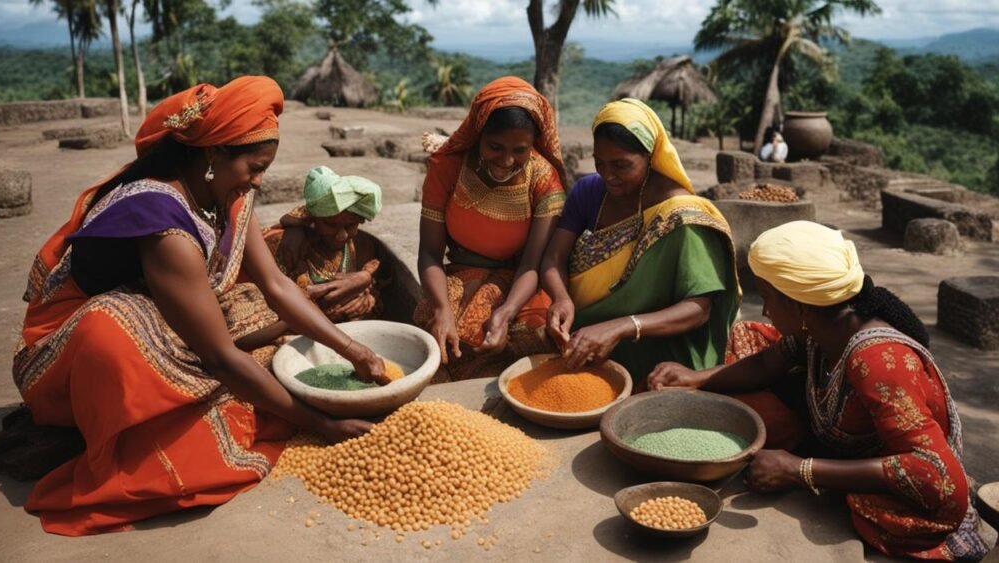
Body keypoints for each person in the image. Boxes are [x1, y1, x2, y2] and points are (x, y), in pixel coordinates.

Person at [12, 76, 385, 536]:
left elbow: (276, 286)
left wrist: (355, 351)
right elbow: (220, 358)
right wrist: (322, 424)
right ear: (213, 154)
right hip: (75, 347)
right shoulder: (163, 223)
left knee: (291, 308)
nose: (259, 179)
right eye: (254, 166)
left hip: (166, 305)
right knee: (120, 329)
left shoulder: (228, 193)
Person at [647, 221, 993, 561]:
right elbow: (767, 364)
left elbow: (937, 474)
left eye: (768, 298)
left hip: (894, 462)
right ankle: (800, 438)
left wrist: (800, 470)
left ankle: (809, 452)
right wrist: (697, 378)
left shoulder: (878, 363)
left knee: (871, 509)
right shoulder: (821, 326)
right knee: (747, 337)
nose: (765, 310)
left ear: (799, 305)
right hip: (837, 426)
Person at [541, 98, 739, 387]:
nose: (608, 175)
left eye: (621, 165)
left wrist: (623, 326)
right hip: (585, 341)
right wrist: (561, 299)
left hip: (658, 355)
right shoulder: (589, 193)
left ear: (651, 155)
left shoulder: (682, 214)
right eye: (600, 163)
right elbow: (552, 260)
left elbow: (699, 308)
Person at [414, 76, 566, 380]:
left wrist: (506, 311)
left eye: (520, 150)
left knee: (533, 335)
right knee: (437, 332)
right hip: (459, 270)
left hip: (519, 280)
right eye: (495, 147)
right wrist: (443, 310)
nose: (507, 160)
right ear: (478, 133)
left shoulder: (543, 179)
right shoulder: (449, 167)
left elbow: (531, 265)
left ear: (533, 144)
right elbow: (430, 255)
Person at [263, 166, 387, 322]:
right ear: (313, 219)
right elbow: (267, 306)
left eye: (350, 226)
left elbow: (375, 288)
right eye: (330, 225)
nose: (342, 235)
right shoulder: (287, 246)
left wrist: (364, 287)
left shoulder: (358, 244)